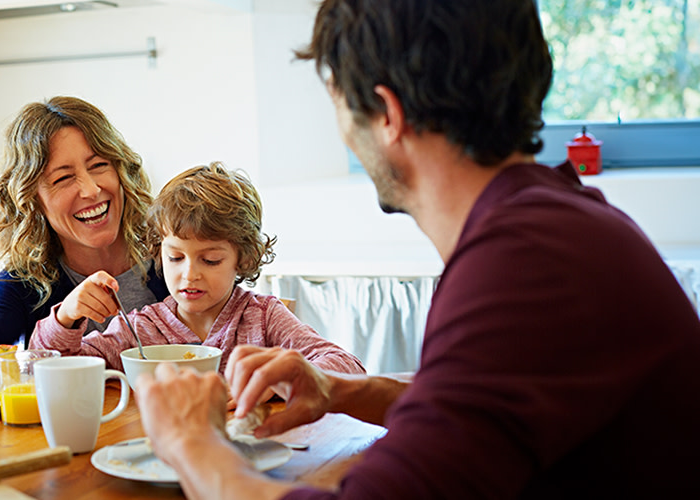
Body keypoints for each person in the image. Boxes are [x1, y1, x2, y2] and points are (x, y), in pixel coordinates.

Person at [135, 1, 700, 498]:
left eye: (336, 102)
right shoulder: (557, 220)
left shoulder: (525, 265)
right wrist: (341, 390)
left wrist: (188, 442)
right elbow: (474, 412)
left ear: (386, 115)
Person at [30, 162, 364, 377]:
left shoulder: (262, 318)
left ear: (243, 259)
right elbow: (48, 369)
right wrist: (66, 318)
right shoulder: (142, 329)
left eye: (211, 260)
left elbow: (347, 367)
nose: (189, 274)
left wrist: (283, 377)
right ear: (158, 254)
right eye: (176, 258)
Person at [0, 96, 170, 378]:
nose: (91, 190)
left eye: (99, 166)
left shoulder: (174, 260)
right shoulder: (25, 284)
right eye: (63, 178)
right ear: (33, 201)